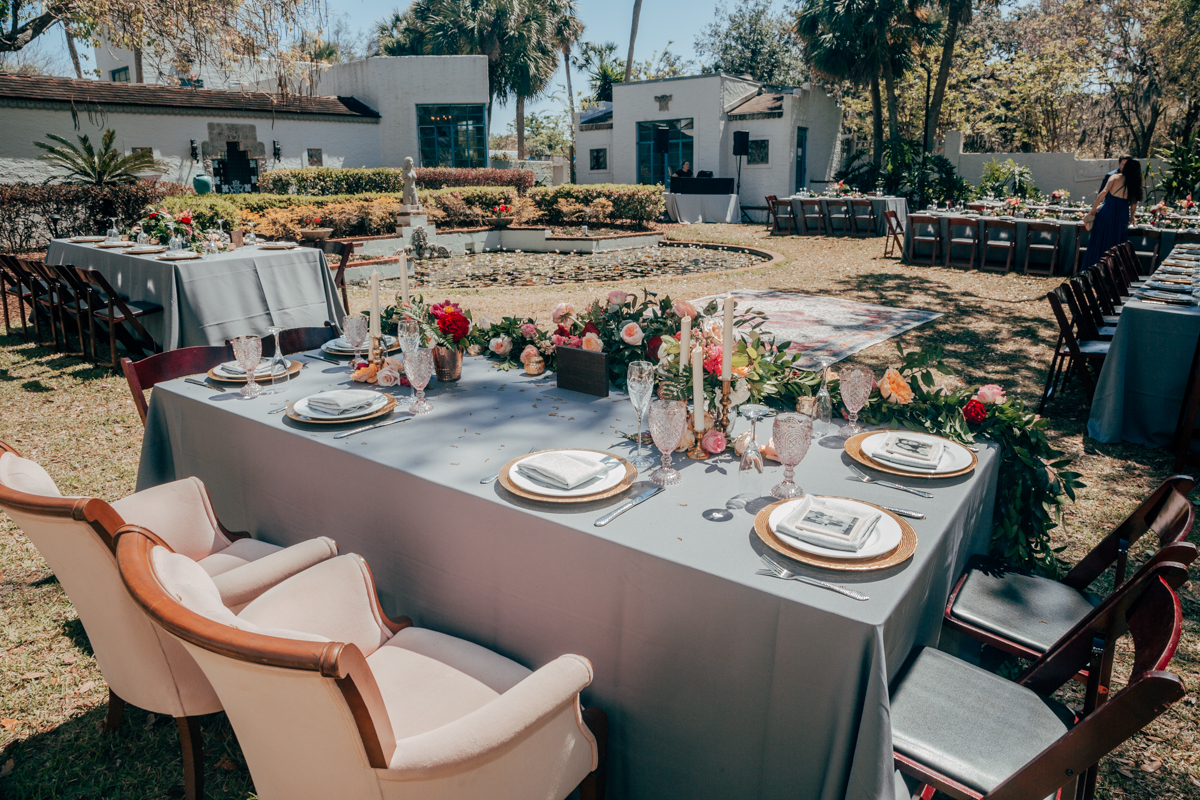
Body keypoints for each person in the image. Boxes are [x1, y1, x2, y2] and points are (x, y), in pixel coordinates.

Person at [1081, 157, 1142, 272]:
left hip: (1108, 210)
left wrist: (1094, 208)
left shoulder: (1115, 177)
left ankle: (1094, 268)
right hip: (1123, 214)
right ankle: (1112, 271)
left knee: (1100, 239)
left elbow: (1104, 192)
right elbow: (1133, 204)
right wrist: (1132, 216)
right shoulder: (1135, 183)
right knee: (1116, 242)